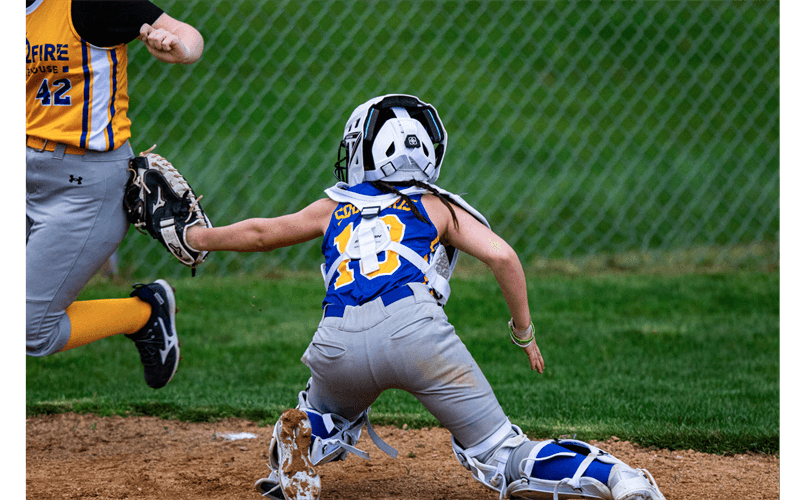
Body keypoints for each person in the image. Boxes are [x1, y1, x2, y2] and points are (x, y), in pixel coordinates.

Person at [186, 94, 666, 500]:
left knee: (325, 412)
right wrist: (523, 332)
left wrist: (197, 237)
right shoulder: (436, 206)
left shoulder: (333, 205)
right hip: (415, 330)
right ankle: (619, 480)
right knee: (500, 452)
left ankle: (305, 440)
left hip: (336, 338)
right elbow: (503, 257)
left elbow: (261, 233)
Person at [25, 0, 204, 389]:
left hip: (83, 188)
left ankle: (143, 315)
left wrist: (178, 47)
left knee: (30, 329)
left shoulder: (86, 6)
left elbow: (188, 36)